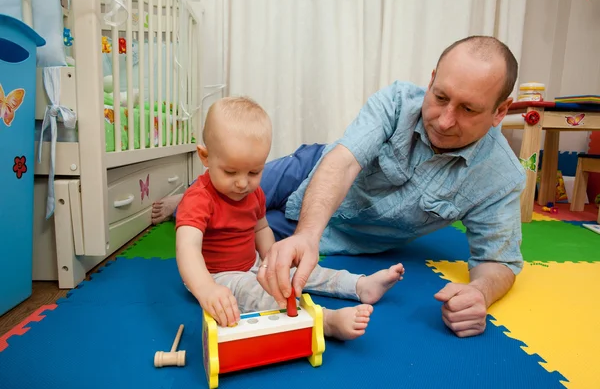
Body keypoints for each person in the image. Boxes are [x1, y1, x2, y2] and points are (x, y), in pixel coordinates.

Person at [157, 35, 525, 338]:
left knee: (246, 208)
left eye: (468, 110)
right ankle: (188, 197)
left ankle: (354, 285)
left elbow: (499, 260)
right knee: (229, 189)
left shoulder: (501, 177)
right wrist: (306, 235)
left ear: (499, 112)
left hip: (339, 229)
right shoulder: (397, 101)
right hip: (308, 174)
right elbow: (343, 160)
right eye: (441, 97)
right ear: (430, 80)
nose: (445, 120)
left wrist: (479, 293)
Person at [175, 96, 405, 341]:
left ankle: (359, 286)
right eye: (230, 172)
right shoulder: (198, 199)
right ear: (205, 157)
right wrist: (207, 289)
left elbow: (260, 227)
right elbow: (187, 248)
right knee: (259, 294)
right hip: (216, 275)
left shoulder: (253, 193)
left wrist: (272, 259)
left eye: (254, 172)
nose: (243, 183)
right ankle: (324, 321)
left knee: (304, 270)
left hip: (252, 262)